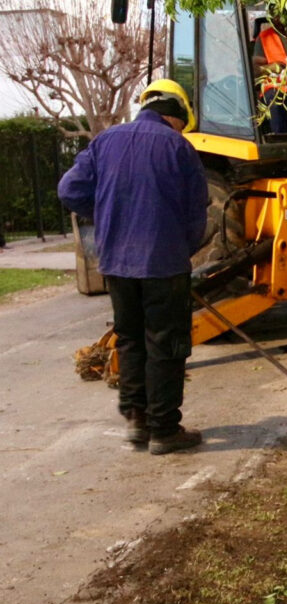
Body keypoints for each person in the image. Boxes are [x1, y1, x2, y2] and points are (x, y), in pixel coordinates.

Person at [58, 79, 208, 456]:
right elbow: (196, 215)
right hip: (163, 264)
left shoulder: (105, 141)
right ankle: (164, 430)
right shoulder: (179, 146)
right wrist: (180, 251)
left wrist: (107, 217)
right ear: (175, 117)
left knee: (131, 339)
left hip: (117, 264)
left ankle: (137, 422)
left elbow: (69, 190)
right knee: (166, 345)